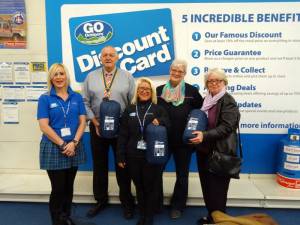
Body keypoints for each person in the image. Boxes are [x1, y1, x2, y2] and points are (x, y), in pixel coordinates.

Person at [82, 46, 135, 219]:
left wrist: (126, 126)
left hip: (121, 128)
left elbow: (132, 103)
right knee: (99, 165)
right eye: (105, 55)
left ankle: (127, 203)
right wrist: (95, 122)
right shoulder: (90, 77)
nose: (108, 57)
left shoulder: (127, 76)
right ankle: (100, 200)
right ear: (100, 58)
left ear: (117, 57)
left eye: (111, 55)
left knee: (122, 166)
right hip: (97, 126)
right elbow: (84, 102)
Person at [37, 63, 87, 225]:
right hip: (53, 146)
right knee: (58, 188)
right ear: (51, 78)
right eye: (55, 74)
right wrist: (63, 144)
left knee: (68, 187)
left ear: (67, 76)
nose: (59, 77)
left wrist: (74, 142)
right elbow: (44, 126)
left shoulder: (76, 97)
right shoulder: (45, 98)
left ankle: (66, 217)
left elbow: (82, 122)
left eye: (61, 74)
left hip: (74, 145)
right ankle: (57, 221)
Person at [189, 68, 240, 225]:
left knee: (218, 191)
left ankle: (220, 220)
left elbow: (227, 126)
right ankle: (212, 217)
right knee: (207, 188)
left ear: (224, 82)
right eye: (210, 81)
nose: (213, 83)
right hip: (204, 151)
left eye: (217, 80)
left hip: (219, 153)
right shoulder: (207, 100)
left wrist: (205, 135)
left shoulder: (228, 101)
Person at [117, 77, 170, 225]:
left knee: (150, 185)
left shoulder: (158, 109)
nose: (144, 91)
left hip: (151, 155)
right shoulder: (129, 109)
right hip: (133, 154)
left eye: (148, 89)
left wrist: (161, 121)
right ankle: (142, 213)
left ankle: (149, 215)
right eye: (141, 89)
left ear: (152, 92)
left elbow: (169, 124)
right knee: (139, 185)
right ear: (137, 91)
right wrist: (120, 155)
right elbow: (123, 134)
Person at [156, 59, 203, 219]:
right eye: (174, 70)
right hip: (162, 140)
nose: (176, 73)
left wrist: (198, 133)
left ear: (184, 74)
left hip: (184, 142)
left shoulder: (191, 91)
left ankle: (178, 205)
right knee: (156, 171)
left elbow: (200, 114)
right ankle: (157, 202)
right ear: (170, 70)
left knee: (182, 174)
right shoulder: (158, 90)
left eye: (180, 71)